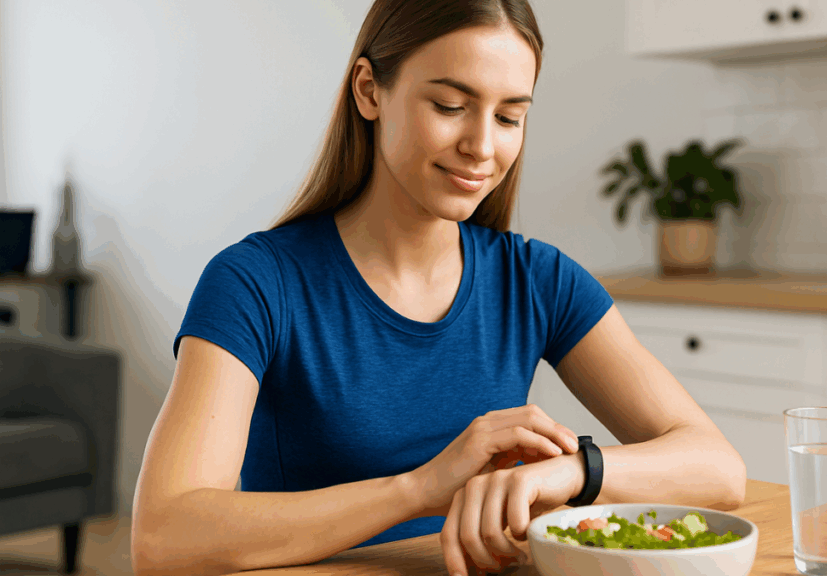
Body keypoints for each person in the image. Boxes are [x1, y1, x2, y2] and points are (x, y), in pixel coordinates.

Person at [130, 1, 747, 575]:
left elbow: (717, 468)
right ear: (370, 91)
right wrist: (421, 488)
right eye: (451, 106)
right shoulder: (257, 283)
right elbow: (164, 534)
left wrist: (569, 473)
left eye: (510, 116)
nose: (482, 146)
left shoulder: (536, 279)